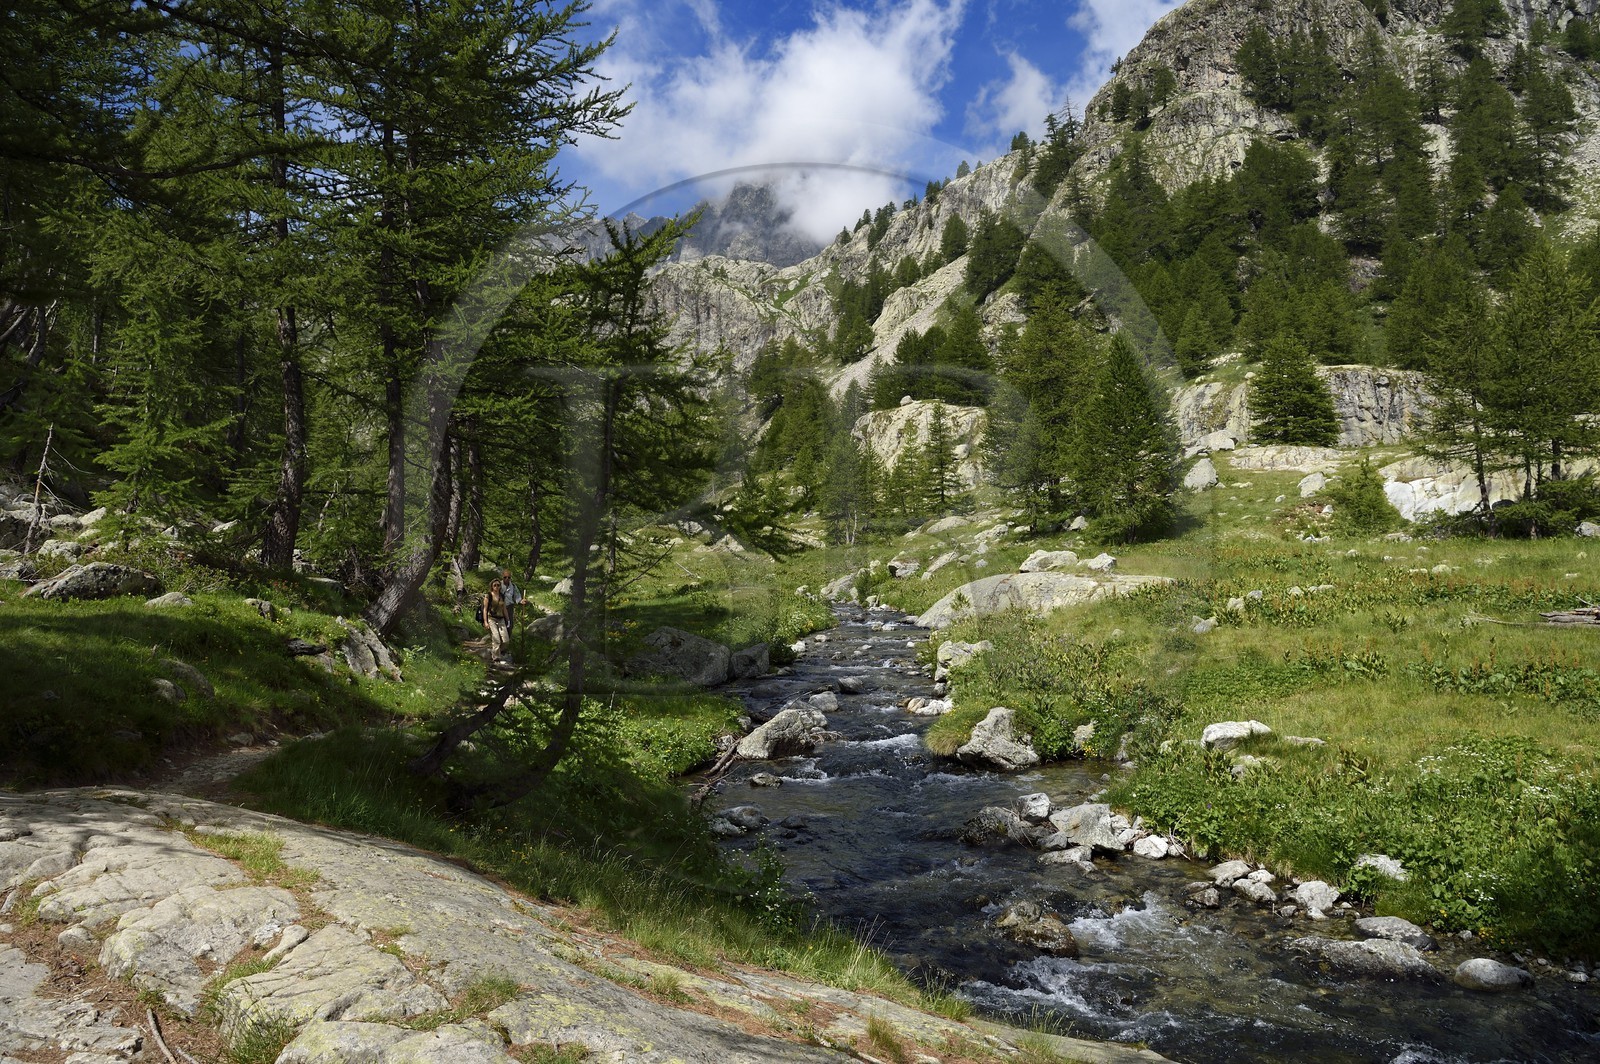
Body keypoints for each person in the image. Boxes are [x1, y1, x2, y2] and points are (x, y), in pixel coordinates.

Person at [482, 578, 510, 660]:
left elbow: (504, 608)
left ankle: (495, 651)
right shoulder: (488, 596)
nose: (496, 587)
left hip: (501, 619)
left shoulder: (502, 596)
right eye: (495, 585)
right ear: (492, 586)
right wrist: (485, 622)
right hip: (492, 619)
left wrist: (508, 620)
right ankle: (496, 658)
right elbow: (485, 609)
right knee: (496, 639)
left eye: (498, 585)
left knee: (506, 640)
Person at [500, 568, 524, 659]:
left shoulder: (513, 586)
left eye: (508, 577)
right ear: (502, 577)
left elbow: (517, 596)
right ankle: (498, 647)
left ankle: (504, 648)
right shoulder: (499, 585)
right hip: (499, 608)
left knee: (509, 627)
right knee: (500, 627)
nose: (506, 579)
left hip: (509, 608)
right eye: (505, 577)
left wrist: (521, 601)